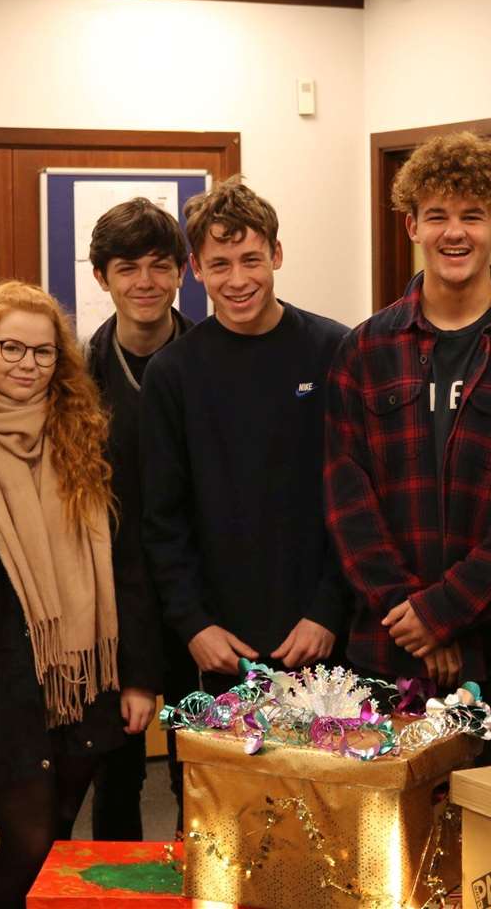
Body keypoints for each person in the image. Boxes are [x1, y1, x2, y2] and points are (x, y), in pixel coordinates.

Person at [0, 282, 158, 909]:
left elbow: (128, 569)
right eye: (11, 348)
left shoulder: (90, 444)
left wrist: (139, 678)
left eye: (43, 353)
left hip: (85, 681)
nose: (27, 364)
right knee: (31, 844)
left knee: (60, 839)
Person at [324, 131, 491, 765]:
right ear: (411, 225)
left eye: (472, 215)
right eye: (437, 215)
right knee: (385, 854)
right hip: (387, 653)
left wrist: (445, 612)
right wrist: (411, 616)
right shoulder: (364, 351)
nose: (453, 232)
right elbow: (347, 501)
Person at [141, 176, 351, 697]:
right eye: (220, 264)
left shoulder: (335, 350)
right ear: (196, 270)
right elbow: (162, 517)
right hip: (218, 648)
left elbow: (358, 500)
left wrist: (329, 610)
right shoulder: (172, 373)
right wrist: (192, 624)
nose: (237, 280)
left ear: (276, 255)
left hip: (324, 640)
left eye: (251, 260)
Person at [82, 198, 196, 840]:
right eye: (128, 268)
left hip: (199, 603)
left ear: (182, 272)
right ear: (103, 277)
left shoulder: (212, 360)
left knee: (201, 775)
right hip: (111, 600)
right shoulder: (76, 375)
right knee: (114, 772)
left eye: (160, 265)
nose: (145, 282)